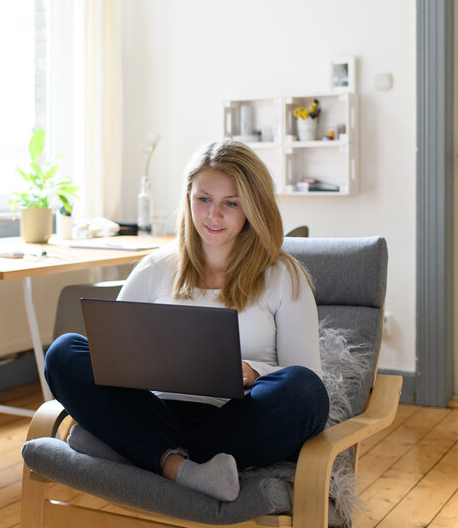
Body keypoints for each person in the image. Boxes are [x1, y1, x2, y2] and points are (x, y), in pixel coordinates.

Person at [44, 139, 330, 502]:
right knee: (64, 352)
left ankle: (135, 451)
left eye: (231, 203)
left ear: (253, 208)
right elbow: (110, 357)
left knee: (305, 391)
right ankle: (184, 468)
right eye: (204, 199)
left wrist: (253, 371)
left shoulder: (284, 277)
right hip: (155, 411)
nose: (213, 215)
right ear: (188, 198)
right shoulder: (155, 268)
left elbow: (308, 377)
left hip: (235, 422)